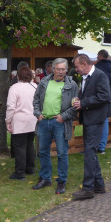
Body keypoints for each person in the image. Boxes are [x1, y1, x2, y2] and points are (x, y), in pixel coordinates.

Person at [32, 58, 78, 194]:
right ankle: (45, 178)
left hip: (59, 123)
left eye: (63, 69)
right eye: (58, 69)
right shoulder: (44, 82)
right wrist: (37, 113)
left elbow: (75, 106)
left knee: (62, 153)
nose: (61, 72)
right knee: (43, 152)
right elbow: (35, 100)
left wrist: (63, 117)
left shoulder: (72, 85)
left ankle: (62, 181)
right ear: (52, 69)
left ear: (66, 70)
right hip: (43, 121)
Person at [71, 54, 111, 201]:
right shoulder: (87, 76)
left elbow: (105, 96)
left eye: (77, 67)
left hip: (96, 118)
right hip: (90, 118)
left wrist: (84, 103)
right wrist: (80, 100)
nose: (76, 70)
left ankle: (88, 188)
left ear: (84, 64)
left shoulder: (100, 75)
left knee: (89, 152)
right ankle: (99, 184)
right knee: (91, 151)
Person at [6, 66, 38, 180]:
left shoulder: (15, 87)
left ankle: (19, 172)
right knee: (29, 144)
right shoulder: (35, 86)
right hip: (33, 119)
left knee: (20, 147)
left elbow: (10, 107)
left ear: (18, 76)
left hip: (20, 120)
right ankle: (29, 168)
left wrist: (7, 121)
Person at [95, 49, 111, 154]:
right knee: (105, 121)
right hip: (109, 97)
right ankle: (102, 147)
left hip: (97, 97)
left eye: (97, 56)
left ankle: (94, 145)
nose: (96, 57)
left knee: (94, 122)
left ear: (101, 56)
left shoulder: (96, 67)